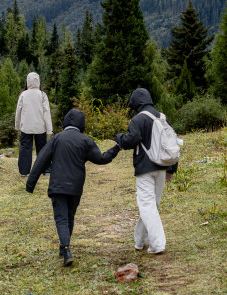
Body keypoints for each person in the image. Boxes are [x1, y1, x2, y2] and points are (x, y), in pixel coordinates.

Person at [26, 108, 120, 266]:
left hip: (58, 186)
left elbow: (41, 161)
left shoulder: (57, 139)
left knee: (61, 218)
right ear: (81, 124)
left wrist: (30, 184)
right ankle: (64, 249)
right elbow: (102, 159)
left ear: (65, 123)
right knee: (69, 217)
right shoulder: (85, 141)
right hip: (76, 187)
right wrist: (116, 148)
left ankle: (66, 248)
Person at [115, 88, 178, 255]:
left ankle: (157, 244)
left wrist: (119, 137)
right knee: (152, 205)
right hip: (162, 168)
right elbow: (172, 144)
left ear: (136, 103)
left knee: (147, 206)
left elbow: (131, 140)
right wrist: (172, 169)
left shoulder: (138, 119)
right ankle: (139, 240)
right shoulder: (163, 118)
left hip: (145, 168)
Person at [15, 72, 53, 176]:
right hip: (40, 127)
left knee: (25, 149)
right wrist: (49, 129)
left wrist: (17, 125)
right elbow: (46, 112)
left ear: (27, 81)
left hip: (26, 127)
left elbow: (18, 111)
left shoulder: (23, 94)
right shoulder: (42, 94)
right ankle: (45, 170)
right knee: (42, 149)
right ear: (38, 81)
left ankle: (24, 171)